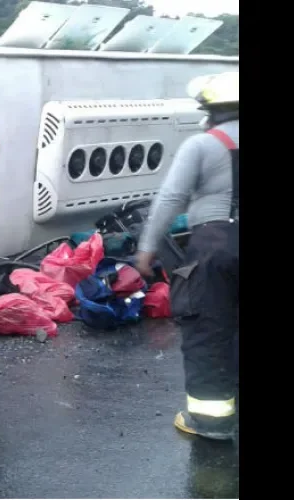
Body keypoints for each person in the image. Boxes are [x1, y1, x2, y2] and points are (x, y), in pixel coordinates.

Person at [134, 71, 239, 441]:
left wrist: (146, 249)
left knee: (208, 331)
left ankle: (210, 423)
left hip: (216, 247)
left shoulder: (202, 144)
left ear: (213, 112)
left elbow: (170, 198)